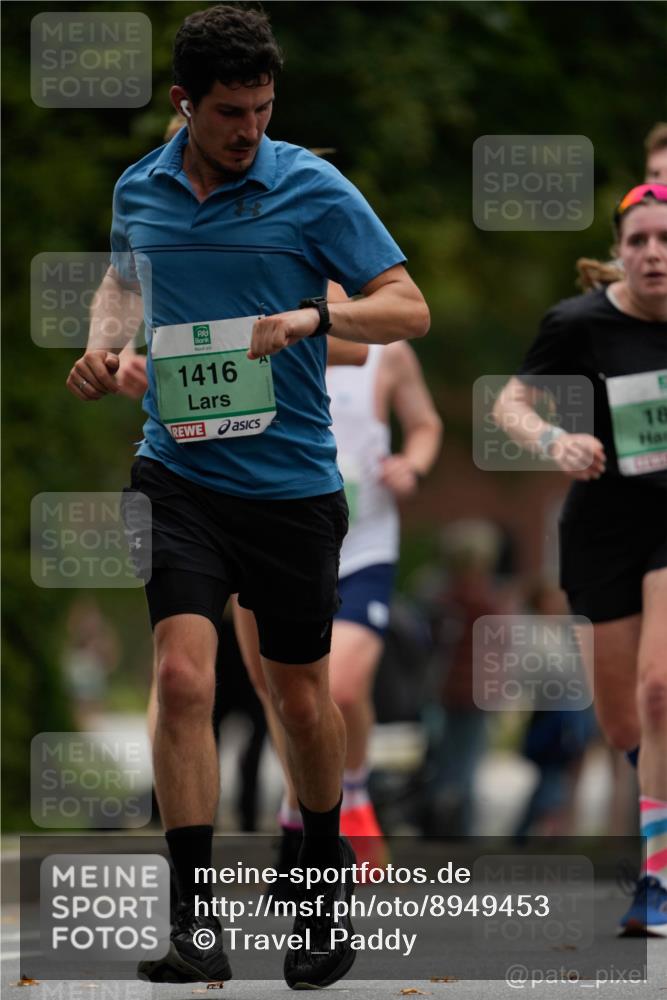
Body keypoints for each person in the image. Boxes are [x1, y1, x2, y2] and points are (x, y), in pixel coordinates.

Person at [65, 4, 429, 989]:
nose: (250, 130)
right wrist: (104, 343)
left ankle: (322, 878)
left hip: (291, 491)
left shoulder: (310, 185)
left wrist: (313, 315)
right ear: (184, 103)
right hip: (177, 476)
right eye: (231, 112)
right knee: (182, 680)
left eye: (264, 109)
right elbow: (121, 282)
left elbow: (409, 306)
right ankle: (195, 923)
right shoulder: (139, 185)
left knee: (301, 700)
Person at [492, 183, 667, 936]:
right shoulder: (576, 324)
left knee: (660, 692)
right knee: (623, 721)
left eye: (665, 240)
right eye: (637, 241)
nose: (653, 254)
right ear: (617, 251)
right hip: (601, 533)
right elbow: (509, 404)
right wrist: (554, 442)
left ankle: (655, 881)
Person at [233, 341, 442, 874]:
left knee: (342, 688)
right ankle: (304, 811)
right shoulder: (250, 336)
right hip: (268, 544)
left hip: (361, 550)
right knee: (280, 696)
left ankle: (351, 794)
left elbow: (425, 424)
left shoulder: (385, 353)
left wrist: (411, 466)